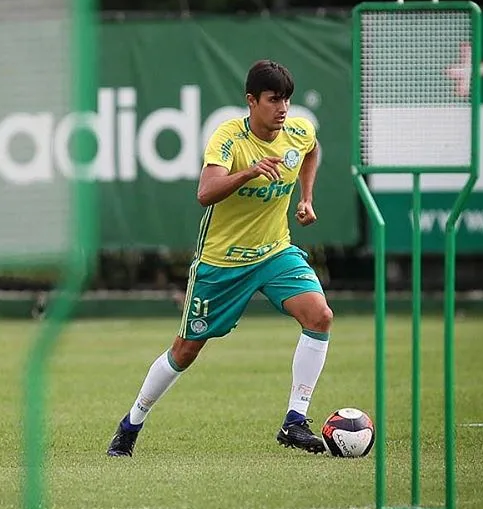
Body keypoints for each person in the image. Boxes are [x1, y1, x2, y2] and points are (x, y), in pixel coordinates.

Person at [107, 60, 332, 457]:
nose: (283, 108)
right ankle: (131, 424)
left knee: (320, 316)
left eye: (287, 100)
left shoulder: (297, 131)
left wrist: (306, 197)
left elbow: (311, 150)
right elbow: (205, 192)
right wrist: (248, 173)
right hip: (222, 263)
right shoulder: (229, 138)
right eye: (273, 99)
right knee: (185, 351)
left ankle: (295, 420)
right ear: (251, 101)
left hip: (275, 251)